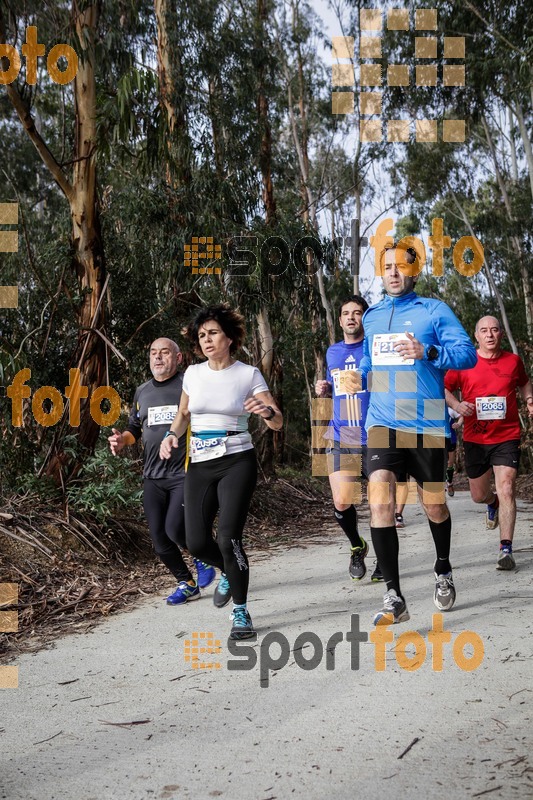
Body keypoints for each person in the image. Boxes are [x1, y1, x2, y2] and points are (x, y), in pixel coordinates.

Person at [358, 243, 477, 624]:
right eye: (387, 266)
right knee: (380, 503)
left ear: (414, 272)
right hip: (382, 421)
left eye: (401, 266)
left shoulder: (433, 310)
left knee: (433, 506)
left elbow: (467, 355)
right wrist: (352, 379)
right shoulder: (373, 316)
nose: (393, 272)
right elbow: (368, 363)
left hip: (425, 420)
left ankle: (443, 569)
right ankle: (393, 594)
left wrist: (427, 351)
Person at [160, 304, 282, 640]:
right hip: (200, 461)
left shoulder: (248, 374)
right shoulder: (194, 375)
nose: (207, 339)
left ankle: (241, 613)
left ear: (228, 337)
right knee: (197, 541)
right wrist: (172, 435)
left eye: (213, 332)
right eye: (202, 335)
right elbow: (184, 414)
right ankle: (227, 571)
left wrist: (266, 411)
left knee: (229, 538)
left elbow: (277, 420)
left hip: (236, 459)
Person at [108, 338, 216, 605]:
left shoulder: (188, 385)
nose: (157, 357)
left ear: (178, 358)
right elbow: (134, 428)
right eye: (153, 353)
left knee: (175, 529)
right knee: (159, 540)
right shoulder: (142, 391)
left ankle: (206, 557)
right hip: (153, 476)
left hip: (186, 471)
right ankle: (186, 583)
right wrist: (123, 439)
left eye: (164, 352)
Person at [445, 316, 533, 569]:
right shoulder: (465, 363)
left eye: (494, 330)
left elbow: (525, 382)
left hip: (507, 436)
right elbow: (444, 388)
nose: (490, 334)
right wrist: (457, 405)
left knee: (506, 488)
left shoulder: (513, 361)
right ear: (477, 337)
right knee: (479, 494)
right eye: (484, 330)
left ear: (501, 335)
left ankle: (506, 548)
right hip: (476, 438)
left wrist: (529, 400)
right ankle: (491, 503)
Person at [315, 295, 384, 582]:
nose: (352, 318)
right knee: (343, 501)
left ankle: (385, 559)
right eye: (346, 313)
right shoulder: (333, 352)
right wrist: (326, 388)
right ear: (341, 320)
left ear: (364, 318)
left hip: (375, 433)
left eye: (357, 313)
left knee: (382, 504)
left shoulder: (377, 350)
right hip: (343, 434)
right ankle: (358, 545)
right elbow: (341, 387)